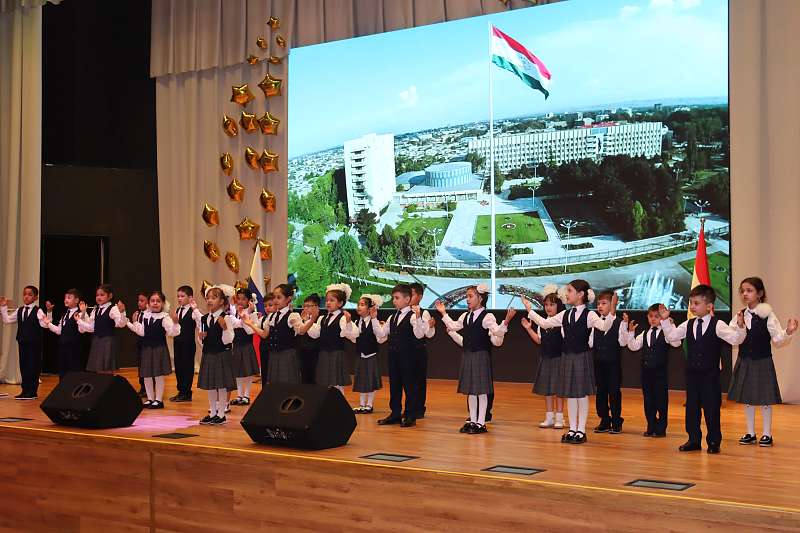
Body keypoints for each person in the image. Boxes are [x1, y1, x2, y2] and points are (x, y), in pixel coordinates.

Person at [524, 280, 619, 445]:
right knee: (571, 395)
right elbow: (545, 323)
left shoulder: (589, 315)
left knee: (581, 395)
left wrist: (612, 310)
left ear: (581, 294)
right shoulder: (565, 314)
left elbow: (604, 327)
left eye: (570, 291)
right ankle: (572, 429)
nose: (567, 294)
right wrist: (529, 310)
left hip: (582, 357)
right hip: (567, 358)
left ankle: (581, 430)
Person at [660, 284, 746, 454]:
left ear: (709, 306)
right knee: (692, 408)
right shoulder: (688, 324)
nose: (692, 306)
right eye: (691, 302)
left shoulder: (718, 324)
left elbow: (736, 339)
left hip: (710, 375)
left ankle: (714, 441)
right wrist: (664, 321)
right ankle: (693, 439)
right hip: (692, 374)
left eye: (696, 303)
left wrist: (741, 326)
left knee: (712, 408)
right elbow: (672, 336)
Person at [727, 277, 797, 447]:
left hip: (762, 360)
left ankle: (767, 434)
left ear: (760, 293)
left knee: (765, 400)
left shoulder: (768, 315)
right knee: (748, 399)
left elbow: (777, 339)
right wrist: (740, 325)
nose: (745, 294)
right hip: (745, 360)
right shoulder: (740, 315)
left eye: (749, 290)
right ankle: (750, 432)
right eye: (742, 291)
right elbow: (733, 338)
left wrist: (788, 331)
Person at [436, 284, 514, 434]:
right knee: (471, 390)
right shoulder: (465, 316)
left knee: (481, 391)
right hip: (468, 355)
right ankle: (472, 419)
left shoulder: (487, 316)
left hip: (480, 355)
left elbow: (497, 332)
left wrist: (506, 321)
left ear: (481, 298)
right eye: (467, 296)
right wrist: (443, 312)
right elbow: (453, 325)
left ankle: (481, 422)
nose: (467, 299)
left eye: (471, 296)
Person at [374, 284, 430, 428]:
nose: (394, 301)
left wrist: (418, 318)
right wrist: (374, 319)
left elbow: (419, 334)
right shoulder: (392, 317)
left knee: (409, 386)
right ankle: (395, 413)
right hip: (394, 357)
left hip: (408, 357)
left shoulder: (412, 316)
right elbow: (381, 334)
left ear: (407, 299)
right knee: (395, 385)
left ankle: (410, 415)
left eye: (397, 298)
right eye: (393, 298)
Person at [626, 304, 682, 437]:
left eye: (657, 316)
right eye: (651, 316)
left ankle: (661, 428)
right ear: (647, 317)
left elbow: (676, 343)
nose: (653, 319)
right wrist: (631, 332)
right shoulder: (645, 333)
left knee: (661, 401)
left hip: (660, 373)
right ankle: (651, 426)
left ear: (662, 317)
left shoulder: (667, 332)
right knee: (648, 400)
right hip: (646, 373)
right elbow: (633, 346)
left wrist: (669, 323)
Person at [123, 291, 179, 409]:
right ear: (148, 303)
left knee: (158, 375)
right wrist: (133, 322)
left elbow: (172, 332)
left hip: (159, 348)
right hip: (147, 349)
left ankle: (158, 400)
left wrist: (175, 323)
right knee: (147, 375)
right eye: (152, 301)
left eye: (158, 301)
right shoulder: (145, 316)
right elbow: (141, 332)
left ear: (163, 303)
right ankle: (150, 398)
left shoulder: (164, 317)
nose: (155, 303)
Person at [520, 288, 565, 430]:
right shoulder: (543, 322)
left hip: (559, 359)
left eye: (551, 305)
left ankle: (560, 418)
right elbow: (539, 341)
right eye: (546, 305)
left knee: (559, 390)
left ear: (558, 306)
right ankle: (549, 417)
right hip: (546, 359)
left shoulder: (561, 321)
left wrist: (529, 310)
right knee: (547, 390)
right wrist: (528, 328)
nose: (548, 308)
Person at [305, 284, 357, 392]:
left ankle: (339, 406)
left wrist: (348, 322)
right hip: (324, 354)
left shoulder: (342, 318)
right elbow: (315, 334)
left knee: (337, 384)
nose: (328, 302)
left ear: (340, 303)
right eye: (327, 300)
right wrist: (307, 320)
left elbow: (353, 334)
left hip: (336, 354)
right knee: (325, 383)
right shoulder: (322, 318)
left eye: (332, 300)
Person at [0, 287, 50, 399]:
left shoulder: (38, 311)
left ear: (36, 297)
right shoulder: (20, 310)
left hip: (34, 343)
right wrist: (3, 306)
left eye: (30, 294)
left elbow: (45, 324)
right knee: (24, 366)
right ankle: (25, 390)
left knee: (33, 366)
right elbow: (7, 320)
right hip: (22, 342)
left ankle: (32, 392)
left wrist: (49, 314)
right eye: (25, 294)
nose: (26, 296)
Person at [590, 290, 629, 434]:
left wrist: (625, 327)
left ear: (613, 304)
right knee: (601, 392)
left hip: (613, 365)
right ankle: (604, 419)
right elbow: (591, 342)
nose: (600, 306)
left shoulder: (619, 323)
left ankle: (616, 420)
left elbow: (623, 343)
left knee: (614, 392)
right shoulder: (596, 323)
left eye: (604, 303)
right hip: (599, 364)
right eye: (598, 303)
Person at [197, 287, 235, 425]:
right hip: (209, 354)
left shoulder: (226, 318)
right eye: (208, 298)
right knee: (211, 385)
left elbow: (229, 339)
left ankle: (221, 414)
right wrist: (201, 338)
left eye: (213, 297)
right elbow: (202, 341)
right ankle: (212, 412)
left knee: (221, 385)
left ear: (221, 301)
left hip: (221, 354)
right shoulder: (204, 318)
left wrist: (224, 328)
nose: (209, 300)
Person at [76, 284, 127, 374]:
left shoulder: (113, 308)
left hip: (107, 341)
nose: (99, 297)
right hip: (97, 341)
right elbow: (92, 328)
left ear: (110, 296)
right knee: (98, 370)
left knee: (106, 370)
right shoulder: (96, 310)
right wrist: (80, 320)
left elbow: (121, 324)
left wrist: (122, 312)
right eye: (97, 295)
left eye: (102, 295)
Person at [349, 294, 387, 414]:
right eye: (358, 304)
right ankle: (361, 404)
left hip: (371, 355)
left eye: (362, 305)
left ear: (370, 308)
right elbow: (354, 338)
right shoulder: (356, 322)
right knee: (361, 379)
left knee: (371, 380)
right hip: (361, 355)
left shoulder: (374, 322)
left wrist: (378, 322)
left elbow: (381, 337)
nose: (359, 307)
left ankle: (369, 404)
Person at [41, 289, 84, 381]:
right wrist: (49, 324)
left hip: (74, 347)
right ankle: (63, 391)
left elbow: (83, 329)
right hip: (63, 347)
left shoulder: (80, 313)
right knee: (63, 371)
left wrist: (82, 316)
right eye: (65, 298)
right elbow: (59, 331)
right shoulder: (64, 314)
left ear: (76, 300)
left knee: (74, 371)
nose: (66, 300)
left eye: (69, 298)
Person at [228, 288, 260, 406]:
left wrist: (246, 314)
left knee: (247, 371)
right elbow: (233, 325)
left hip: (246, 345)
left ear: (249, 300)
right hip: (236, 345)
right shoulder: (233, 312)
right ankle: (239, 396)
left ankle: (246, 396)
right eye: (239, 299)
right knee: (238, 371)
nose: (240, 302)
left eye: (243, 299)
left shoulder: (252, 313)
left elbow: (250, 331)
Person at [170, 285, 201, 402]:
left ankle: (187, 392)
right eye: (178, 296)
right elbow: (174, 328)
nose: (179, 298)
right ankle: (181, 391)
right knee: (178, 367)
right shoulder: (178, 310)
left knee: (187, 368)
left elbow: (199, 323)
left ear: (190, 297)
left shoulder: (193, 311)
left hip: (188, 344)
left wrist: (195, 309)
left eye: (182, 296)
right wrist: (174, 322)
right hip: (177, 343)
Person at [409, 283, 436, 419]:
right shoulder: (402, 312)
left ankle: (419, 408)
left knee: (418, 381)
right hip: (405, 352)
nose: (409, 297)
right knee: (407, 382)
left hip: (418, 351)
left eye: (412, 294)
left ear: (419, 297)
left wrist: (429, 327)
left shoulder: (424, 312)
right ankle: (409, 407)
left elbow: (429, 334)